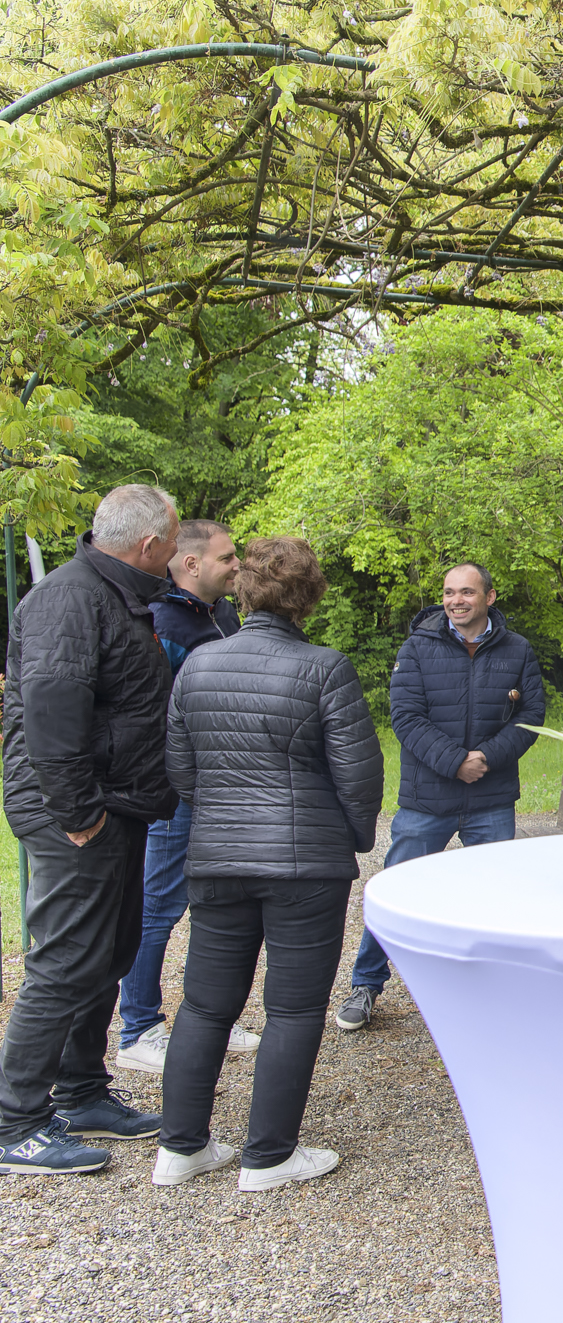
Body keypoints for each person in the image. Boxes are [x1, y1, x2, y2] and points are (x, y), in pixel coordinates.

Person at [155, 537, 384, 1190]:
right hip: (304, 866)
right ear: (309, 596)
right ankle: (268, 1155)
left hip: (218, 856)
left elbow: (182, 768)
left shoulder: (197, 666)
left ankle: (181, 1147)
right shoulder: (323, 668)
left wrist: (225, 813)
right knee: (291, 1009)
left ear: (245, 590)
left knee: (204, 1004)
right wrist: (349, 835)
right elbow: (359, 776)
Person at [0, 485, 182, 1175]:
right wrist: (77, 813)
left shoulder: (114, 594)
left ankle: (79, 1092)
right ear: (147, 546)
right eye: (170, 544)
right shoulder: (70, 598)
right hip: (74, 814)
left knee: (108, 952)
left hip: (119, 806)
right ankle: (15, 1118)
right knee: (65, 961)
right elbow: (51, 710)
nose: (174, 557)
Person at [337, 562, 544, 1031]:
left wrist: (486, 759)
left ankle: (498, 989)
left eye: (466, 592)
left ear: (489, 597)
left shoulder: (517, 650)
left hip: (491, 797)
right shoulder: (417, 647)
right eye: (449, 593)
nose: (456, 601)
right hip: (426, 800)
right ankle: (366, 984)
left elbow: (532, 713)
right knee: (395, 892)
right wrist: (455, 762)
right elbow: (405, 717)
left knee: (497, 897)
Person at [116, 519, 262, 1073]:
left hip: (219, 789)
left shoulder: (220, 615)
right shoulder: (163, 622)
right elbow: (155, 717)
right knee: (158, 906)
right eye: (227, 558)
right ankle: (138, 1028)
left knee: (213, 905)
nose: (237, 566)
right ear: (192, 563)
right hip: (177, 793)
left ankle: (207, 1017)